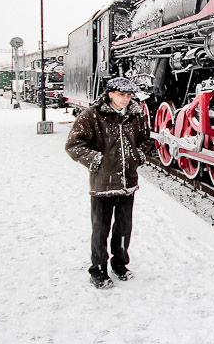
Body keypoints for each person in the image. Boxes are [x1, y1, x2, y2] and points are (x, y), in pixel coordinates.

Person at [65, 77, 153, 289]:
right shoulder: (91, 116)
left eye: (129, 95)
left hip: (127, 182)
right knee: (100, 229)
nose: (126, 99)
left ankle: (120, 264)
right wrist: (97, 161)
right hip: (103, 184)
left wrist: (138, 157)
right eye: (122, 95)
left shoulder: (136, 115)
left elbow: (146, 139)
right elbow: (74, 145)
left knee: (124, 227)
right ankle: (98, 270)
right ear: (110, 93)